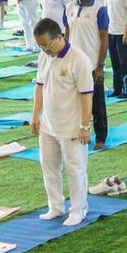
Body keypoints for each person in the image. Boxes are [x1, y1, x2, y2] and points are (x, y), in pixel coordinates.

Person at [32, 18, 93, 227]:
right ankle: (55, 206)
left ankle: (78, 209)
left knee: (75, 168)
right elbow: (39, 86)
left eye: (46, 45)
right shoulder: (44, 56)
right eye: (40, 46)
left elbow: (87, 95)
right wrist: (35, 116)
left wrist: (85, 126)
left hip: (72, 126)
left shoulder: (79, 59)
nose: (44, 50)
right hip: (48, 124)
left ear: (59, 37)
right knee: (49, 167)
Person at [63, 0, 109, 150]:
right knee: (72, 102)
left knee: (97, 104)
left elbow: (104, 38)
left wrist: (100, 65)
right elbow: (67, 35)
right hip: (72, 64)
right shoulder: (69, 8)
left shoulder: (99, 9)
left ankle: (100, 138)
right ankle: (76, 133)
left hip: (91, 65)